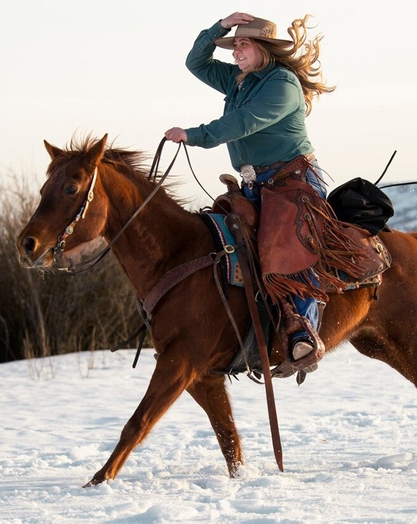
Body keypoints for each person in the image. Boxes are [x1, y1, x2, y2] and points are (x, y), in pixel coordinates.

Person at [164, 12, 337, 371]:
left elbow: (245, 121)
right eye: (234, 45)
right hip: (255, 183)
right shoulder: (239, 81)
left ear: (263, 48)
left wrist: (195, 135)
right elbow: (195, 62)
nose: (236, 52)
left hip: (293, 182)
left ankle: (303, 332)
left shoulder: (281, 83)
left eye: (243, 44)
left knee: (289, 246)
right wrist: (220, 27)